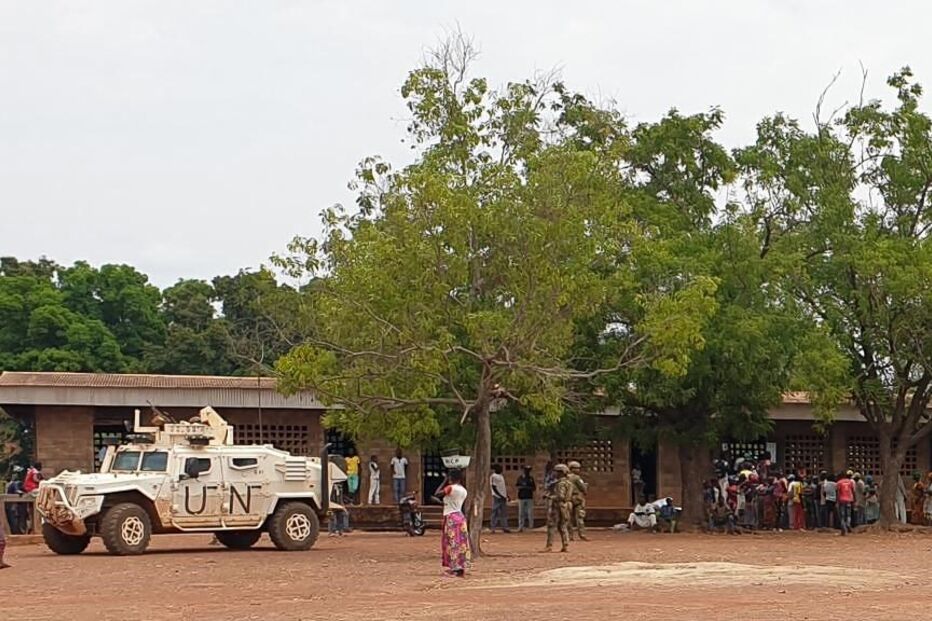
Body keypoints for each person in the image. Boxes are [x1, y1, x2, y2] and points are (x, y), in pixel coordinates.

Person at [438, 469, 470, 577]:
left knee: (451, 543)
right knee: (461, 543)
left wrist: (444, 481)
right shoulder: (464, 490)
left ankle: (454, 568)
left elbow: (437, 493)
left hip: (451, 517)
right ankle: (461, 567)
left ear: (451, 478)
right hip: (460, 517)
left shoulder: (450, 488)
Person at [543, 464, 572, 552]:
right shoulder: (569, 483)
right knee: (563, 526)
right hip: (566, 505)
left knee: (551, 525)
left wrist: (549, 497)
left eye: (556, 471)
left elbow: (560, 496)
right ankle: (565, 545)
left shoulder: (560, 484)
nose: (554, 473)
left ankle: (549, 546)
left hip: (558, 506)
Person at [567, 461, 588, 541]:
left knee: (568, 518)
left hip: (568, 499)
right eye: (577, 468)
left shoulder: (565, 477)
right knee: (579, 517)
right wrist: (585, 488)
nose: (578, 470)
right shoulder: (576, 478)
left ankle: (570, 535)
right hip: (577, 498)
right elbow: (583, 488)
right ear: (572, 469)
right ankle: (582, 534)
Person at [489, 464, 510, 533]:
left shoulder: (501, 476)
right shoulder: (493, 476)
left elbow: (503, 487)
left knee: (504, 513)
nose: (501, 470)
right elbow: (494, 487)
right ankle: (493, 527)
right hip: (497, 497)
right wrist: (500, 495)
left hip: (503, 497)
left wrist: (506, 495)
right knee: (495, 512)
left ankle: (505, 527)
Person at [5, 467, 26, 535]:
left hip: (10, 505)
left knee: (13, 521)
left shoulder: (11, 483)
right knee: (14, 521)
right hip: (13, 505)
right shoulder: (16, 483)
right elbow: (18, 491)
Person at [515, 465, 536, 532]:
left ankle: (531, 527)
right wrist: (523, 487)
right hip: (521, 497)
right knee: (521, 513)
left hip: (529, 497)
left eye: (528, 470)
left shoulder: (531, 478)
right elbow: (517, 486)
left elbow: (534, 488)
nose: (527, 471)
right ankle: (520, 527)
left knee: (530, 513)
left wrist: (526, 487)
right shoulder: (520, 478)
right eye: (526, 470)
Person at [835, 471, 854, 535]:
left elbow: (838, 492)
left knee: (842, 516)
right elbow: (852, 491)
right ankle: (848, 524)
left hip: (842, 500)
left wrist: (837, 501)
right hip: (849, 499)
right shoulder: (850, 482)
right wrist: (854, 499)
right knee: (848, 514)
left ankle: (844, 529)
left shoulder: (839, 483)